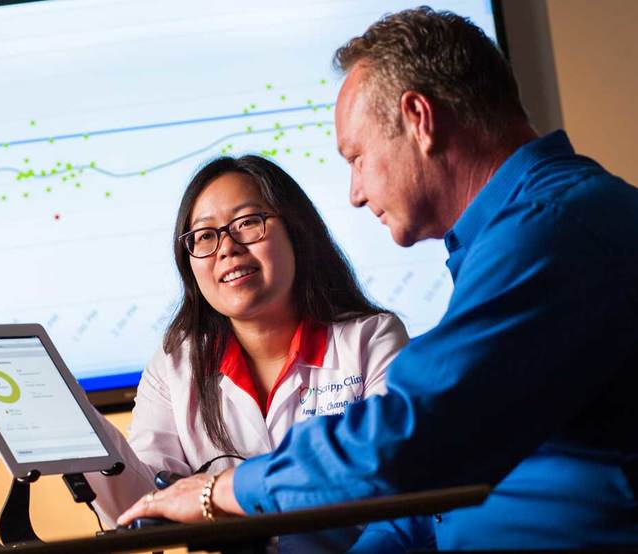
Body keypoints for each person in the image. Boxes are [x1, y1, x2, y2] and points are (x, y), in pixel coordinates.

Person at [117, 7, 638, 550]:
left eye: (358, 157)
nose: (356, 192)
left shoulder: (549, 233)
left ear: (419, 119)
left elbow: (408, 438)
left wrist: (220, 490)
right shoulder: (520, 232)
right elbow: (431, 487)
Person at [86, 154, 409, 547]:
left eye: (247, 223)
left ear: (297, 231)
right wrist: (84, 431)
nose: (227, 248)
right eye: (205, 236)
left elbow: (389, 480)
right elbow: (145, 505)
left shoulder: (369, 339)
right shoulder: (175, 364)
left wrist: (218, 494)